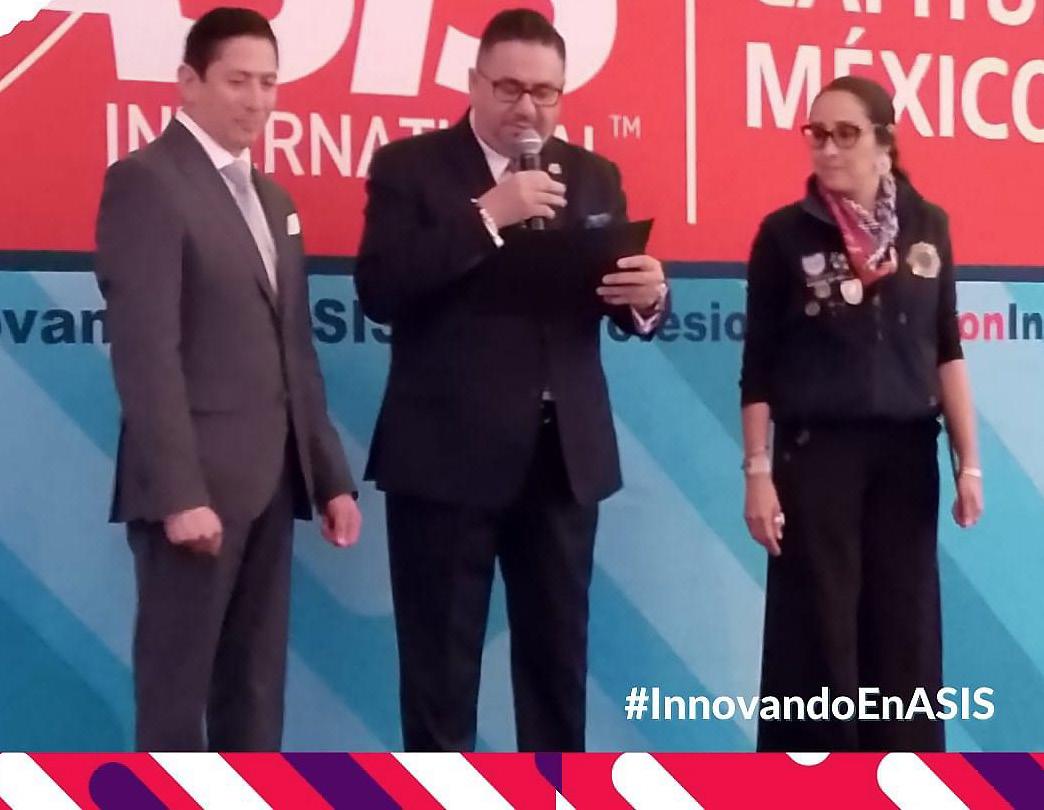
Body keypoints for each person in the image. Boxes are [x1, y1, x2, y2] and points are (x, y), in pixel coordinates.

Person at [355, 8, 668, 752]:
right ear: (474, 84)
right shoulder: (410, 167)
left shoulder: (592, 175)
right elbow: (380, 290)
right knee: (439, 679)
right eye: (509, 88)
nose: (527, 108)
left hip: (562, 462)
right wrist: (486, 217)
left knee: (557, 674)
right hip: (445, 461)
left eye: (544, 92)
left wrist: (649, 298)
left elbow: (615, 300)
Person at [94, 7, 361, 751]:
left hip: (273, 485)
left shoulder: (274, 202)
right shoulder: (146, 182)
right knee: (176, 701)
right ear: (189, 82)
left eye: (269, 83)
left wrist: (330, 478)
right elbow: (146, 352)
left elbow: (294, 350)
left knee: (255, 693)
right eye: (238, 81)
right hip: (196, 494)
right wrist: (180, 494)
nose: (257, 100)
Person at [740, 75, 984, 752]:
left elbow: (947, 350)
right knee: (818, 635)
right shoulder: (784, 234)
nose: (826, 148)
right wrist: (757, 472)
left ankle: (904, 783)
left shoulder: (928, 225)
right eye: (816, 134)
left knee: (904, 632)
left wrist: (970, 464)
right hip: (815, 458)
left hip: (906, 458)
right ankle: (811, 786)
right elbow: (758, 369)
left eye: (845, 134)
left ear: (885, 142)